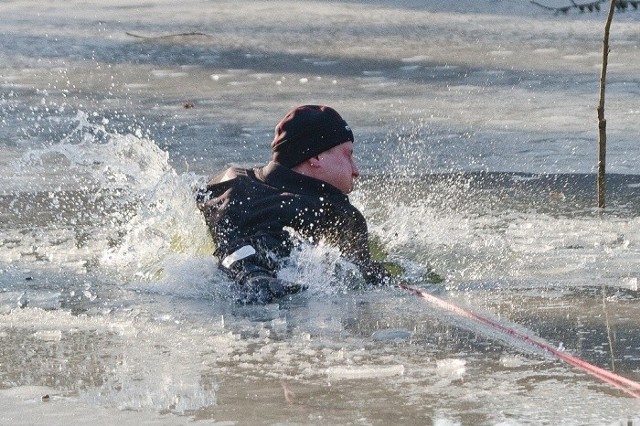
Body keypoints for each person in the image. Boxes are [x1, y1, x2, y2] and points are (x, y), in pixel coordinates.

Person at [197, 105, 391, 304]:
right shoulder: (330, 211)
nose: (355, 170)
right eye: (348, 155)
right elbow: (362, 277)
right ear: (315, 157)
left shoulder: (230, 181)